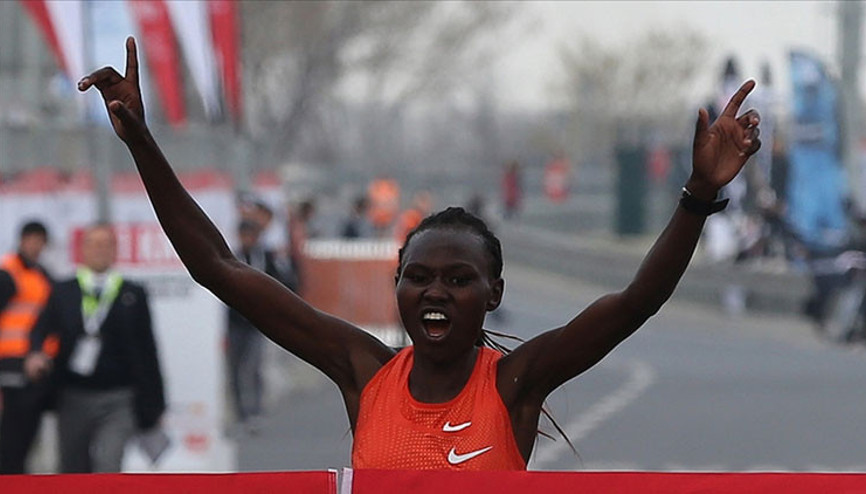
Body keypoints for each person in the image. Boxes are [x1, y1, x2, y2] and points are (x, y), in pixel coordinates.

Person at [79, 38, 760, 470]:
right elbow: (219, 268)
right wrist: (141, 141)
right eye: (420, 277)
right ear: (396, 285)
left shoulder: (515, 383)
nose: (436, 292)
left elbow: (636, 302)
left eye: (459, 280)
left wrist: (697, 197)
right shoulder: (362, 371)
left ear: (493, 293)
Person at [26, 223, 165, 473]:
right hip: (73, 395)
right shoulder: (63, 291)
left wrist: (155, 402)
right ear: (82, 250)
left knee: (109, 464)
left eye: (106, 244)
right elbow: (40, 330)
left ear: (115, 250)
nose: (100, 250)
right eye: (93, 243)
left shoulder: (132, 293)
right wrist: (36, 354)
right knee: (72, 467)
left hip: (119, 397)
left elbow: (148, 348)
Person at [0, 221, 55, 474]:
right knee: (11, 434)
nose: (35, 245)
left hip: (33, 362)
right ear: (22, 240)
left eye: (40, 240)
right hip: (8, 360)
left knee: (24, 433)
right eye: (31, 239)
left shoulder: (42, 275)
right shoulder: (9, 272)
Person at [227, 219, 289, 433]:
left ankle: (255, 410)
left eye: (251, 236)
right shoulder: (231, 257)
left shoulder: (265, 257)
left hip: (257, 323)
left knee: (254, 367)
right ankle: (240, 413)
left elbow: (280, 282)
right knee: (235, 369)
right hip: (235, 322)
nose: (247, 240)